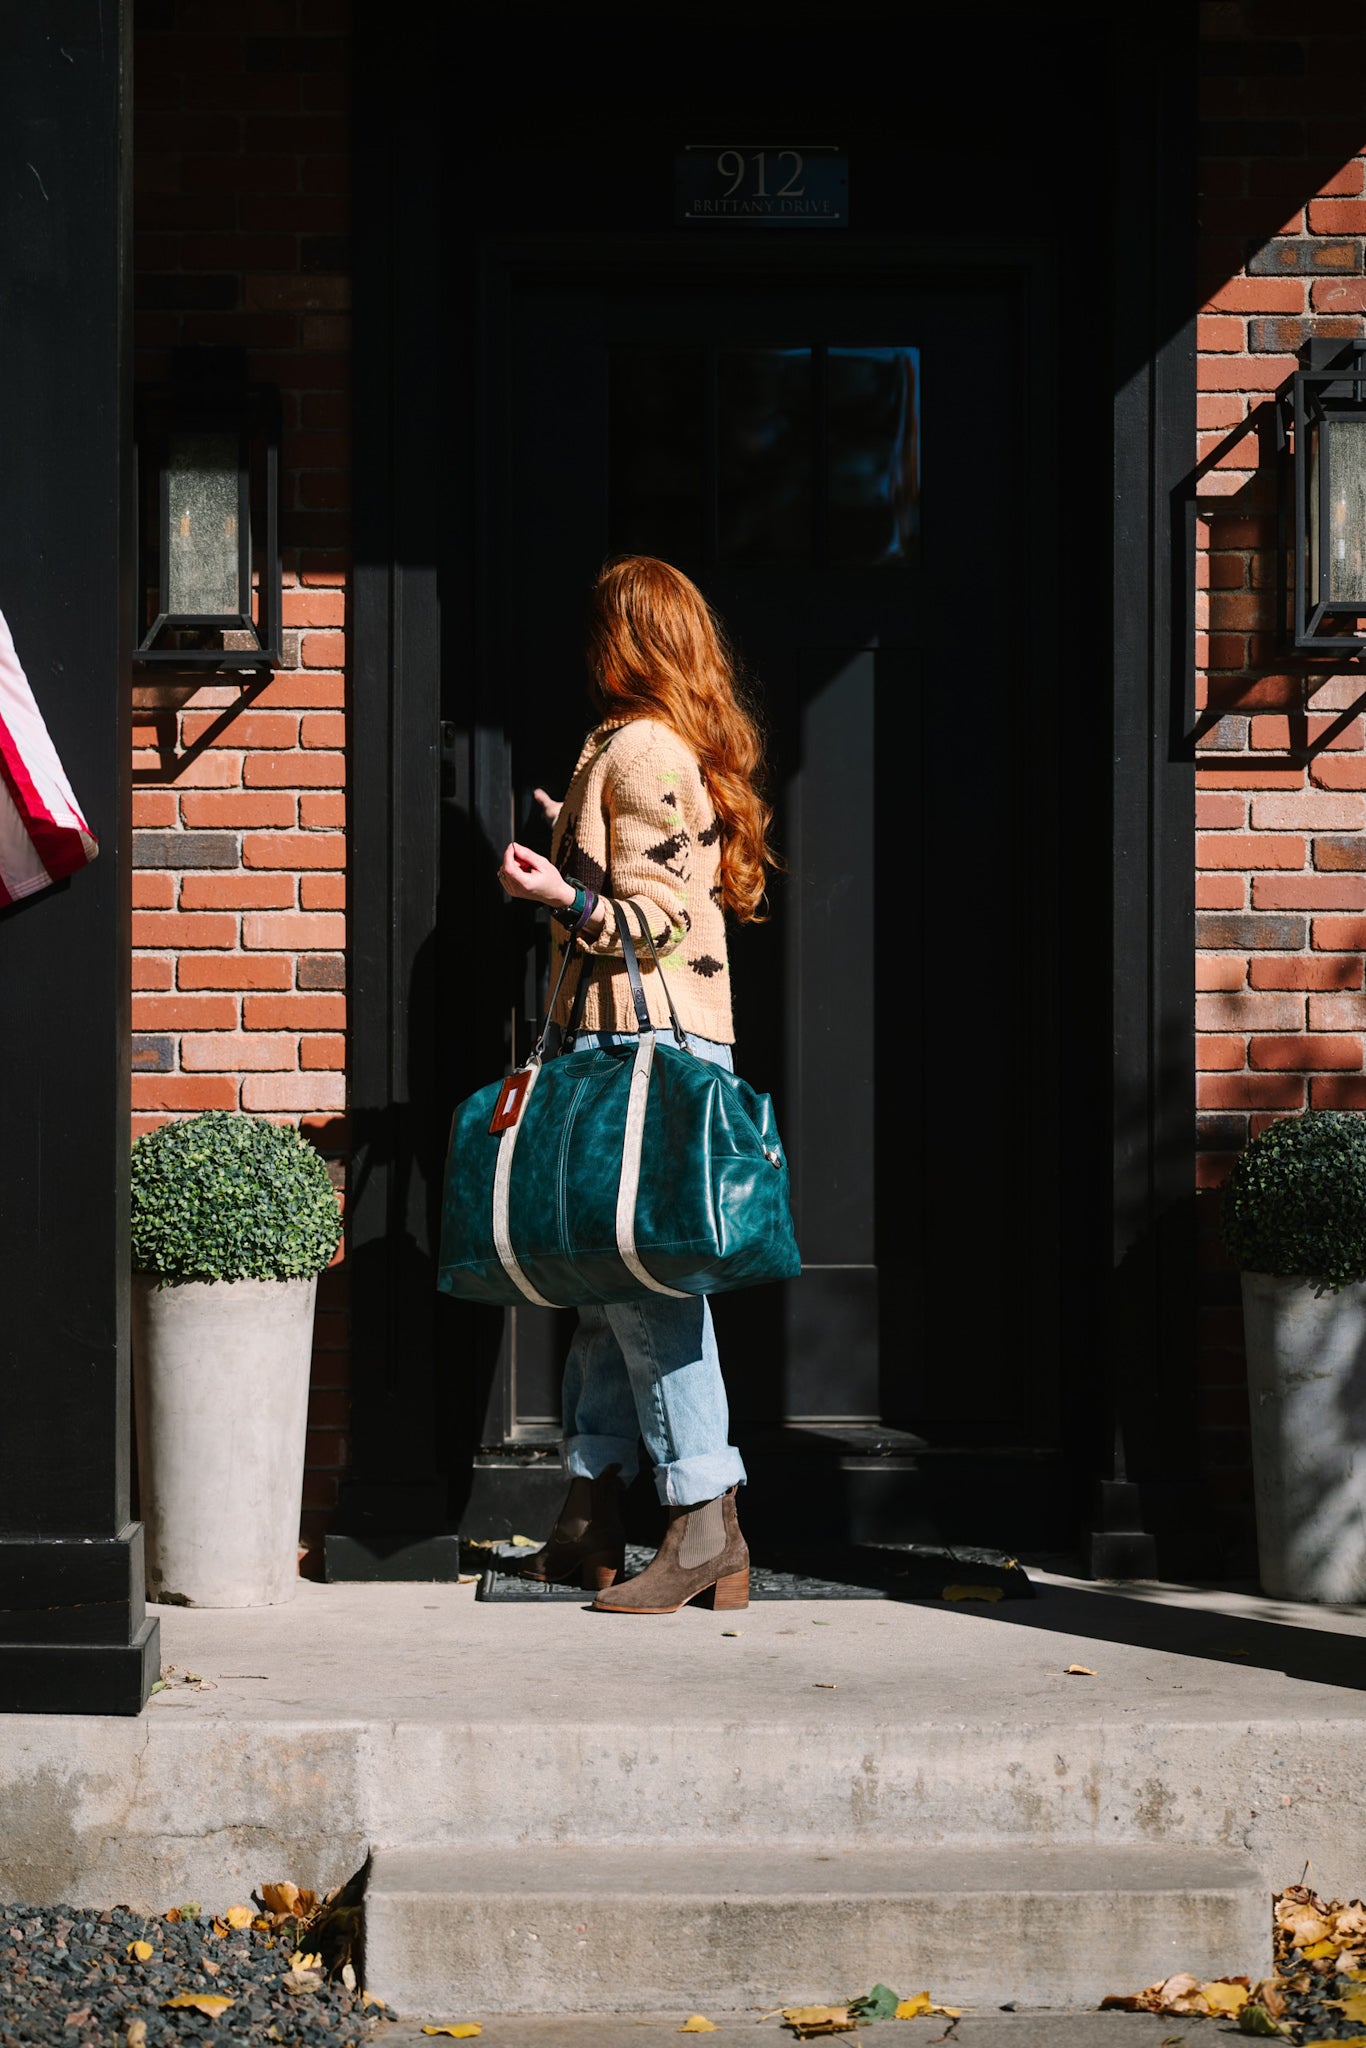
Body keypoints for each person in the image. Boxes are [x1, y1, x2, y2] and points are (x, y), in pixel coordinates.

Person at [495, 554, 778, 1615]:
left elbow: (656, 921)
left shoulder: (645, 745)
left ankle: (704, 1517)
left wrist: (565, 894)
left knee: (652, 1291)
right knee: (606, 1285)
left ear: (625, 634)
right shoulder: (633, 745)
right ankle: (592, 1515)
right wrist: (574, 837)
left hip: (646, 1051)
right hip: (614, 1051)